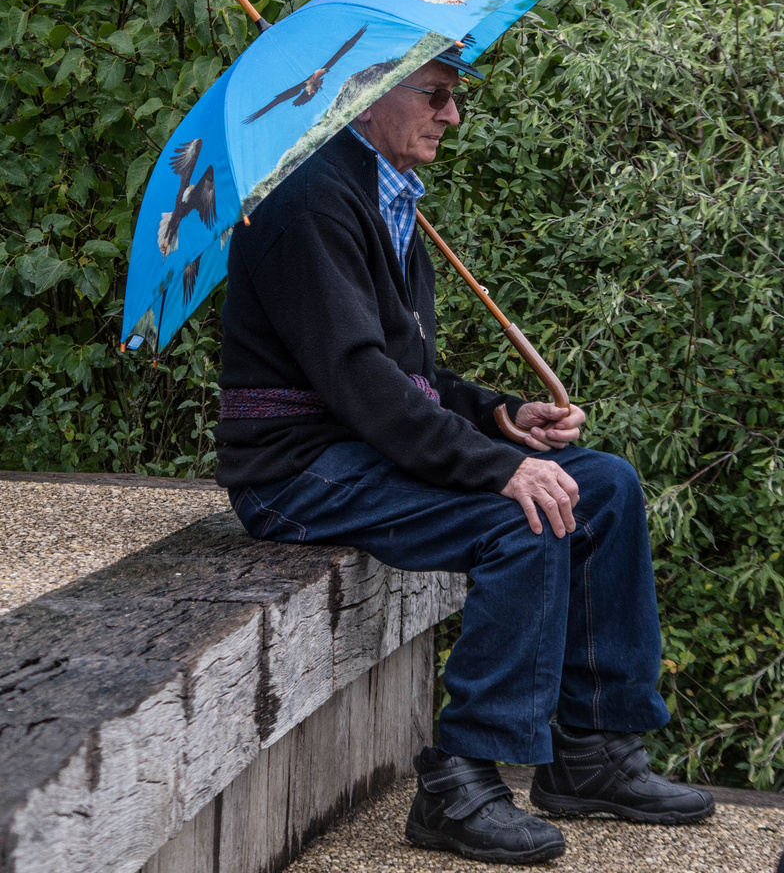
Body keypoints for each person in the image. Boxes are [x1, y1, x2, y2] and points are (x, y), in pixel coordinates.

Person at [214, 49, 715, 865]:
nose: (453, 117)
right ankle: (459, 783)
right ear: (367, 100)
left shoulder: (382, 199)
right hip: (298, 473)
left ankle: (591, 753)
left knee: (609, 485)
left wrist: (501, 416)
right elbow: (358, 379)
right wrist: (497, 468)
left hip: (362, 445)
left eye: (455, 97)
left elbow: (412, 377)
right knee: (526, 516)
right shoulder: (309, 204)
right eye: (438, 96)